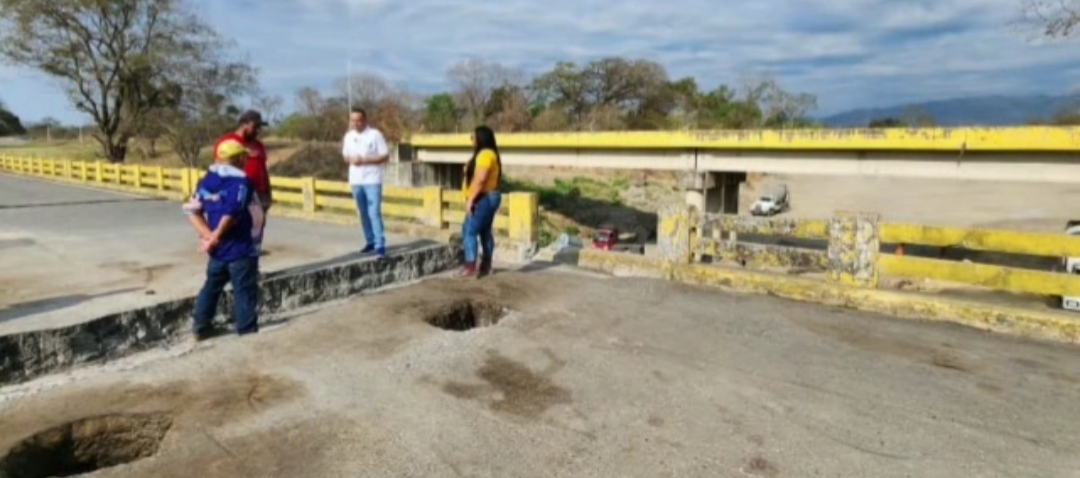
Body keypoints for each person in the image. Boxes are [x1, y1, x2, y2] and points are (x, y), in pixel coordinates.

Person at [182, 138, 264, 341]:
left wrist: (208, 237)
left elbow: (192, 211)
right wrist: (216, 235)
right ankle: (246, 331)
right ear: (239, 159)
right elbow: (232, 214)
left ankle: (201, 326)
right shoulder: (242, 183)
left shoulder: (207, 180)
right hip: (240, 247)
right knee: (244, 289)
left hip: (217, 250)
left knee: (211, 286)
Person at [214, 110, 271, 254]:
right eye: (255, 126)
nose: (258, 130)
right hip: (238, 192)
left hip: (260, 192)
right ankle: (233, 260)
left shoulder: (258, 145)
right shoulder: (228, 142)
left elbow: (263, 169)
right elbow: (218, 168)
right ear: (244, 124)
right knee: (237, 226)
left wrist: (268, 193)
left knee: (257, 227)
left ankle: (254, 263)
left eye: (260, 127)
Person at [341, 107, 390, 258]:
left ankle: (380, 244)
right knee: (363, 212)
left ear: (365, 120)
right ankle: (370, 240)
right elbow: (345, 156)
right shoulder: (349, 136)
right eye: (353, 120)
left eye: (359, 120)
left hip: (372, 179)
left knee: (373, 212)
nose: (356, 123)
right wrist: (351, 160)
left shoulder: (375, 135)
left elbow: (385, 156)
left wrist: (365, 160)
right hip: (356, 180)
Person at [459, 125, 503, 278]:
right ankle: (486, 265)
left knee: (469, 230)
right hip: (490, 196)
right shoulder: (490, 154)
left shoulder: (484, 155)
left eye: (473, 137)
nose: (472, 140)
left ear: (480, 138)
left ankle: (470, 266)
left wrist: (471, 199)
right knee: (485, 231)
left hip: (483, 197)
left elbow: (480, 179)